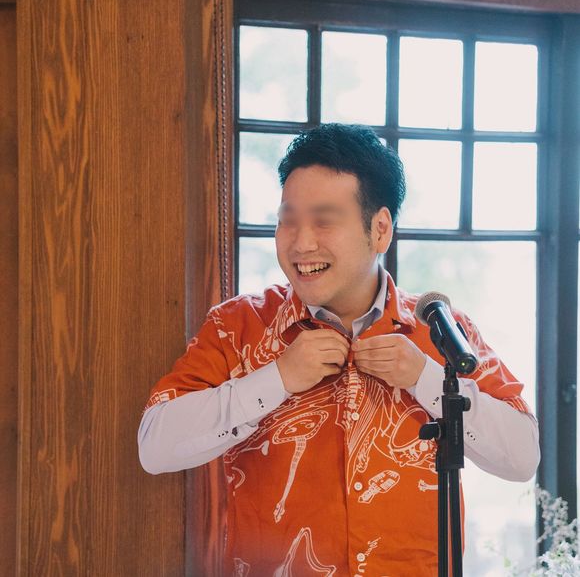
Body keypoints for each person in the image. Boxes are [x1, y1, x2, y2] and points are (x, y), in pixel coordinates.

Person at [138, 123, 540, 576]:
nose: (301, 242)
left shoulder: (441, 330)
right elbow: (155, 446)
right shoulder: (237, 326)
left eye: (324, 221)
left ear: (380, 229)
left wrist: (424, 377)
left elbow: (522, 457)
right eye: (288, 220)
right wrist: (277, 379)